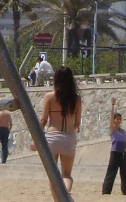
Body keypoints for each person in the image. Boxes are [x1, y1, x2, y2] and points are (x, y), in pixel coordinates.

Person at [39, 66, 82, 197]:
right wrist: (71, 129)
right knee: (67, 175)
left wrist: (36, 139)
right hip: (68, 138)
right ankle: (67, 192)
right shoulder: (76, 99)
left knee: (53, 176)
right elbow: (77, 123)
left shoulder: (49, 97)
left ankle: (58, 200)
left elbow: (43, 120)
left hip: (52, 137)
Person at [102, 97, 126, 195]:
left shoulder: (123, 132)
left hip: (122, 154)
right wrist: (112, 105)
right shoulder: (113, 130)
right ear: (114, 120)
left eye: (120, 119)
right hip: (115, 154)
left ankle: (125, 193)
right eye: (117, 119)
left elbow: (125, 143)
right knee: (111, 173)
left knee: (125, 175)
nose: (119, 121)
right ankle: (106, 192)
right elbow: (111, 119)